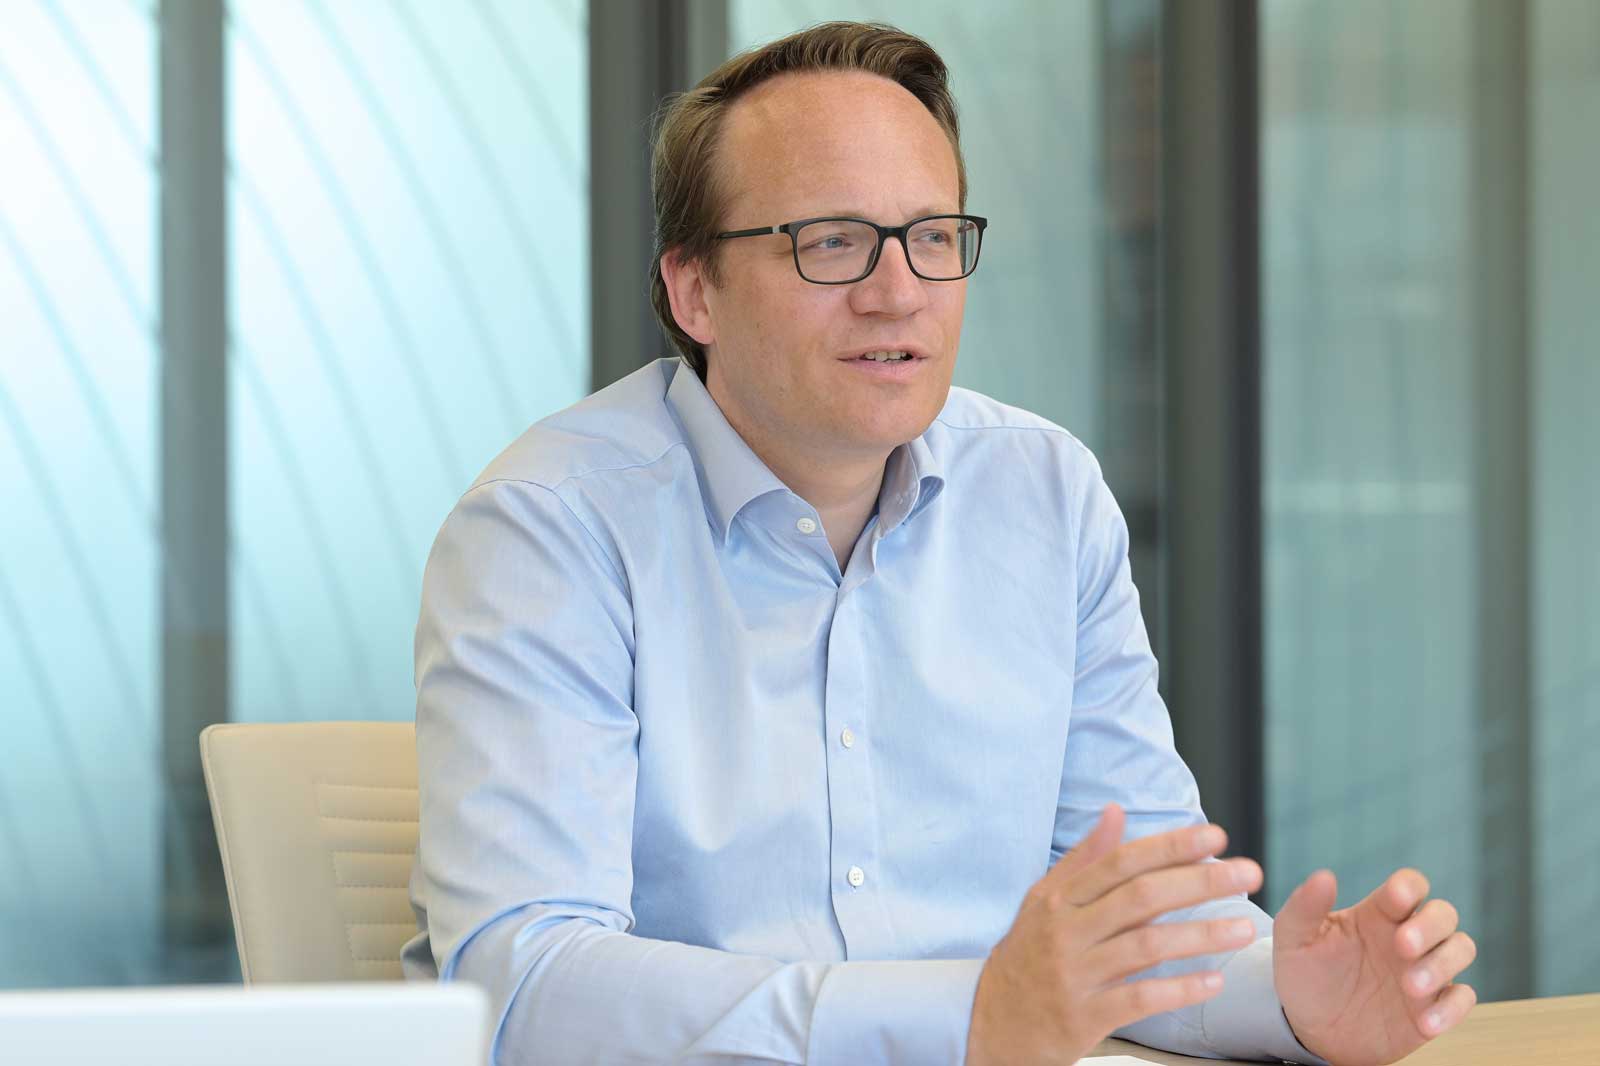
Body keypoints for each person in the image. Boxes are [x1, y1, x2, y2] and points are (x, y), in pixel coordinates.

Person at [403, 21, 1477, 1065]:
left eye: (931, 237)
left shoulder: (1044, 493)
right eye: (831, 242)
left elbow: (1132, 914)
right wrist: (970, 1019)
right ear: (695, 291)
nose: (899, 293)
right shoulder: (549, 527)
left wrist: (1289, 1001)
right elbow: (521, 983)